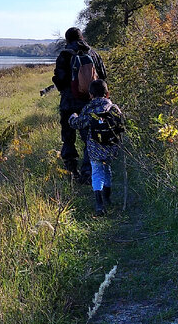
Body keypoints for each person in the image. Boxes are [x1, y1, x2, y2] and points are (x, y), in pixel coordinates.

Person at [52, 27, 106, 180]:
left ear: (67, 40)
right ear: (82, 37)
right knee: (89, 137)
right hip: (90, 103)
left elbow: (60, 81)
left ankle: (71, 170)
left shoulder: (64, 55)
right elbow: (103, 77)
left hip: (68, 103)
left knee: (68, 137)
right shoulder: (94, 54)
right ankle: (88, 172)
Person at [68, 79, 125, 215]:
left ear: (90, 95)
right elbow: (122, 125)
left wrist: (72, 117)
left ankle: (99, 204)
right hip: (111, 148)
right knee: (107, 170)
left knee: (97, 172)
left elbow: (78, 124)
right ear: (107, 94)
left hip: (94, 148)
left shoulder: (89, 108)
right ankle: (108, 198)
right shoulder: (114, 108)